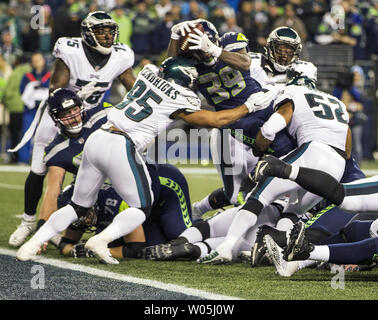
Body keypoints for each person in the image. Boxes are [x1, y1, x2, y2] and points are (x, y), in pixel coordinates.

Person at [16, 55, 274, 263]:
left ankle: (33, 244)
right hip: (121, 144)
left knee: (76, 207)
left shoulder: (149, 73)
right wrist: (249, 106)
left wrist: (175, 39)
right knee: (140, 208)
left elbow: (169, 60)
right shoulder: (180, 96)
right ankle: (100, 240)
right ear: (184, 78)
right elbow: (216, 120)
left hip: (99, 137)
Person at [198, 61, 352, 265]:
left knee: (258, 196)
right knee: (294, 210)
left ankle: (227, 246)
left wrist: (258, 148)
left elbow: (271, 127)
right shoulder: (337, 102)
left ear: (293, 75)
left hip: (313, 151)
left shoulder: (292, 91)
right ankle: (277, 252)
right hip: (337, 165)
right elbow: (348, 149)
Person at [8, 11, 137, 248]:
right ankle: (28, 222)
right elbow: (54, 89)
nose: (107, 37)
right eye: (101, 31)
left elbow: (134, 88)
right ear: (88, 34)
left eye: (110, 31)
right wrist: (74, 96)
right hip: (58, 115)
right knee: (39, 170)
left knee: (100, 168)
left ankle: (76, 226)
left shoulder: (121, 56)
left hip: (92, 117)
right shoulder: (71, 51)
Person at [182, 25, 303, 218]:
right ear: (269, 47)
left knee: (274, 184)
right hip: (237, 128)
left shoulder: (303, 70)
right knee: (236, 193)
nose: (283, 57)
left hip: (266, 128)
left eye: (289, 52)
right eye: (279, 50)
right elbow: (242, 63)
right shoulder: (248, 59)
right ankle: (201, 212)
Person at [18, 53, 50, 164]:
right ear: (32, 62)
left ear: (44, 60)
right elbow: (22, 91)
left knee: (45, 134)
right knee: (27, 133)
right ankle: (23, 159)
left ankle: (43, 159)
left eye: (39, 59)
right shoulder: (27, 76)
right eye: (34, 60)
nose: (37, 62)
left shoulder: (50, 75)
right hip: (30, 110)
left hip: (45, 110)